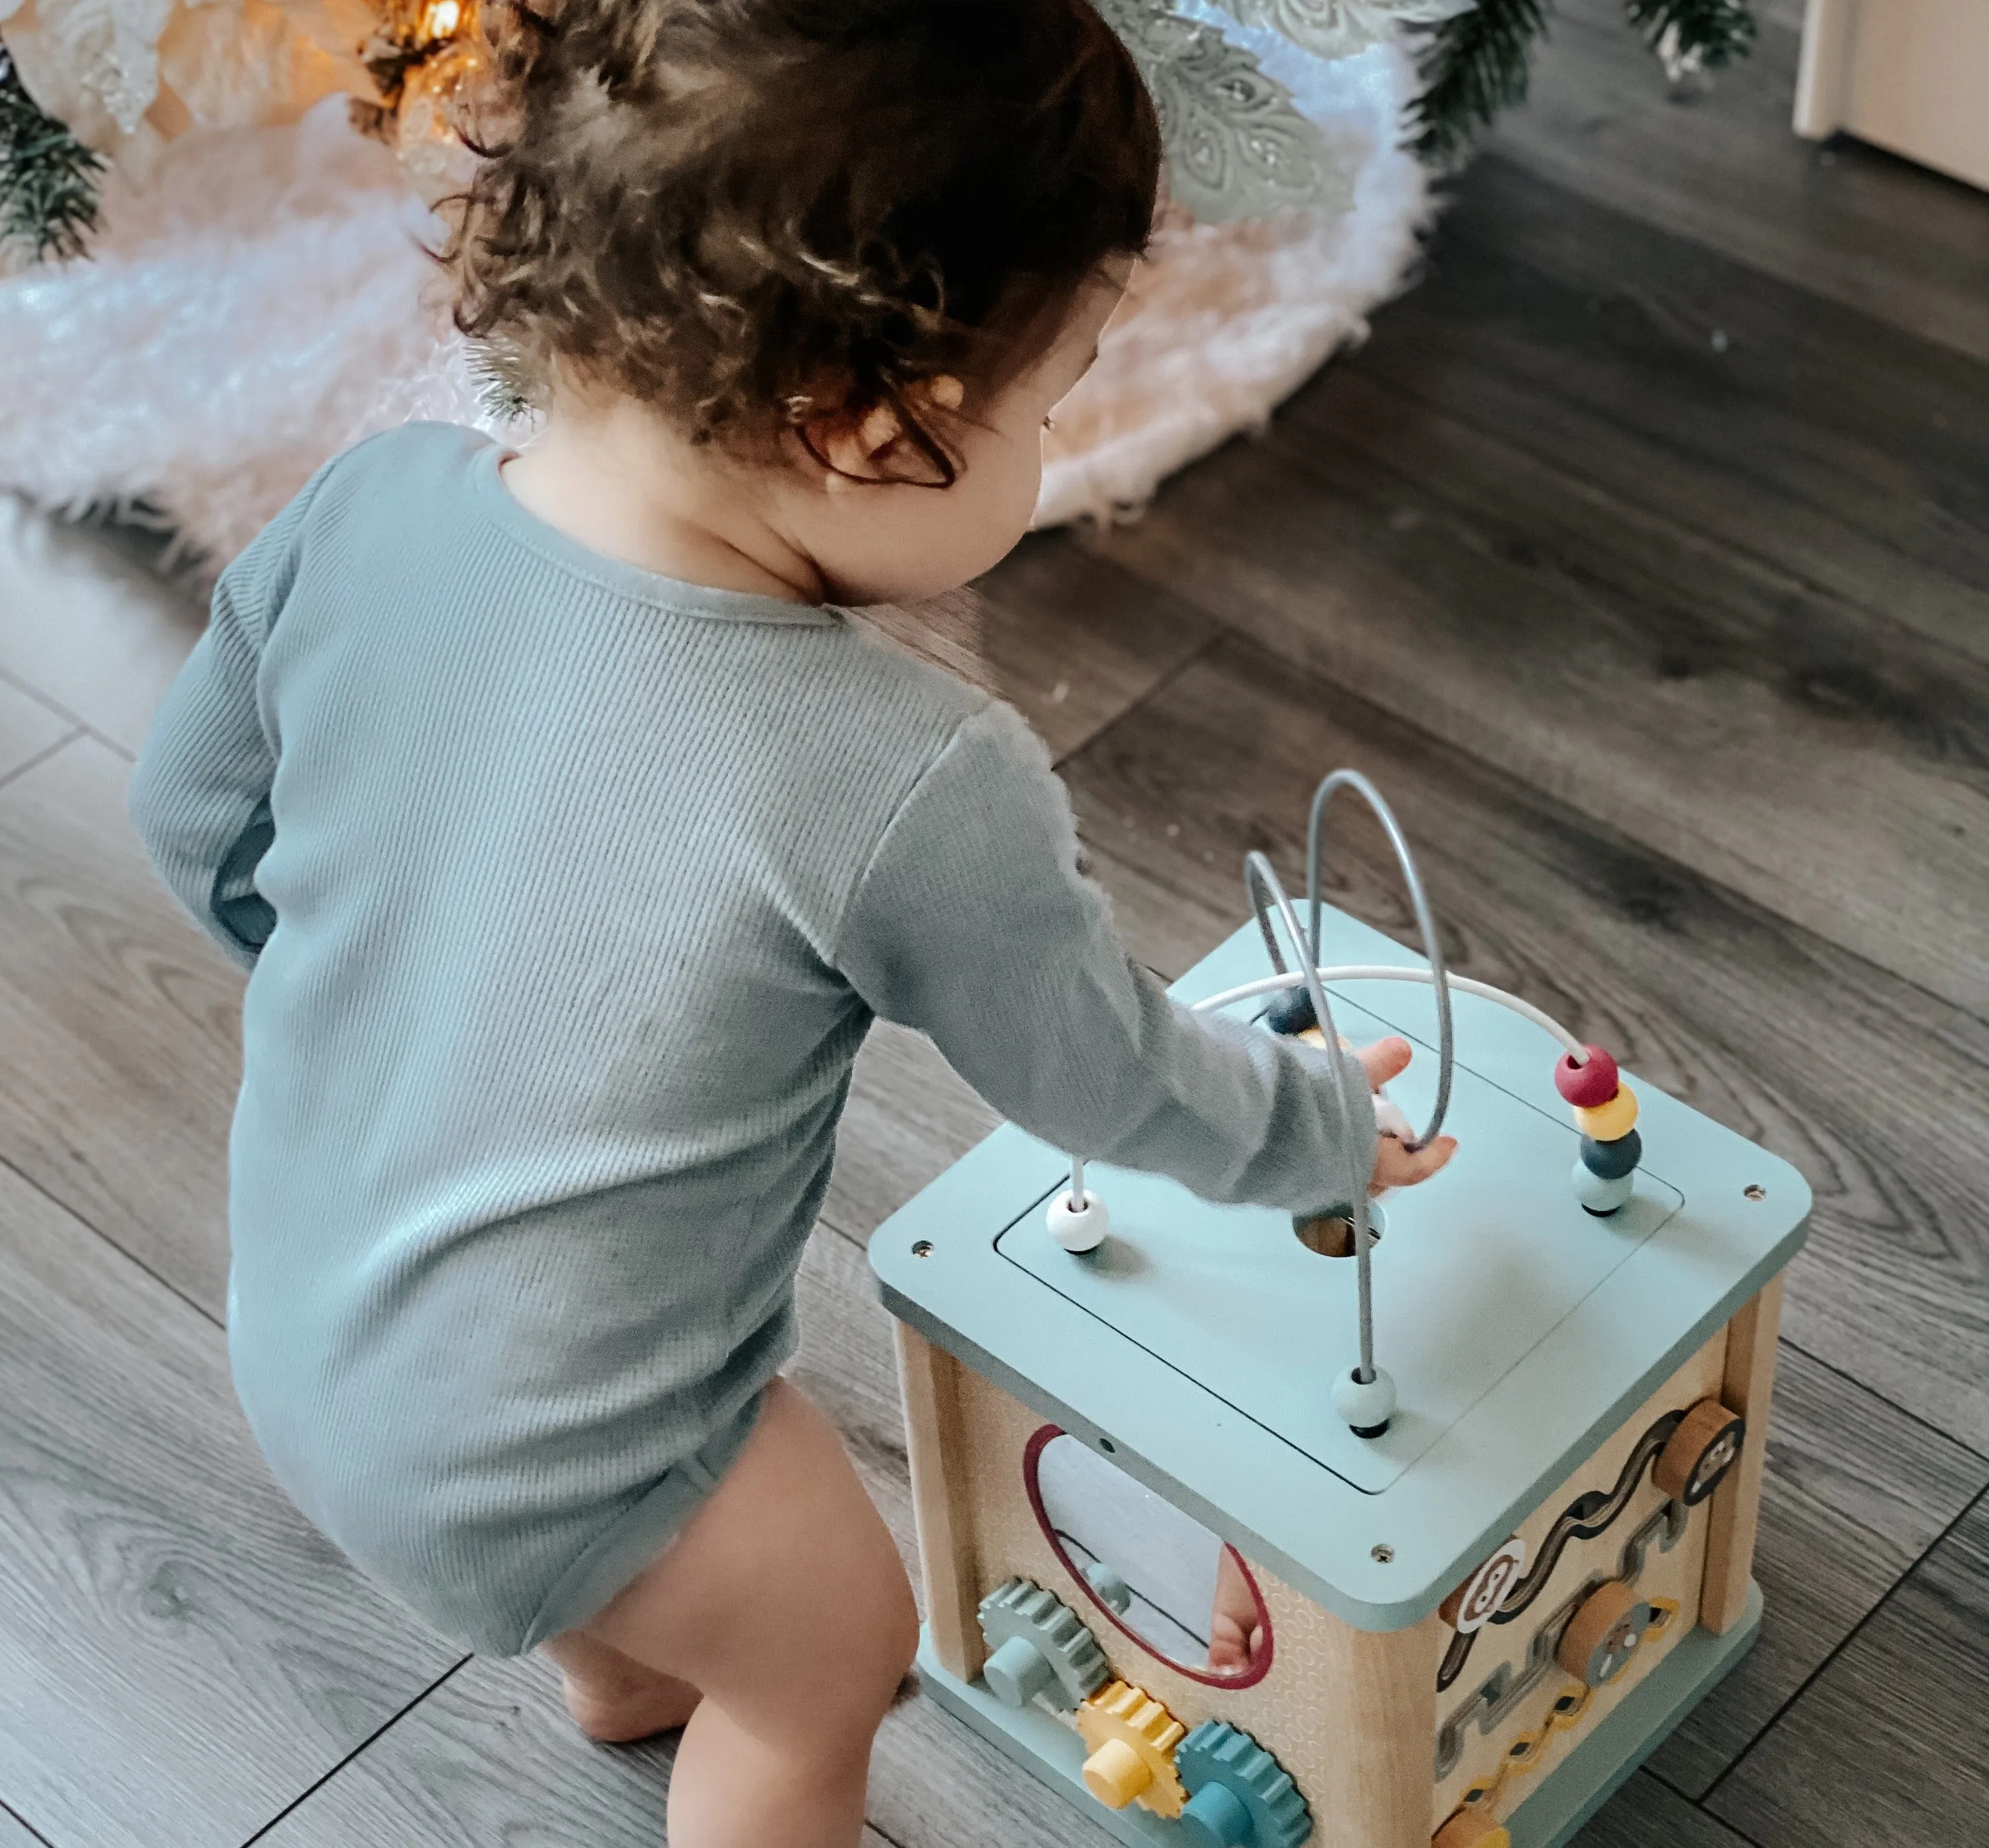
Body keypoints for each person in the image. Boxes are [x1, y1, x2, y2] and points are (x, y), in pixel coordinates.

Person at [127, 1, 1456, 1843]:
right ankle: (686, 1684)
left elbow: (191, 818)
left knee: (650, 1588)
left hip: (296, 1329)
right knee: (836, 1649)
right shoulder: (904, 777)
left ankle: (615, 1669)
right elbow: (1107, 1078)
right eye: (1047, 407)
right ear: (857, 422)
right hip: (570, 1447)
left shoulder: (365, 505)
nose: (1058, 449)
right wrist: (1317, 1129)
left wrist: (392, 968)